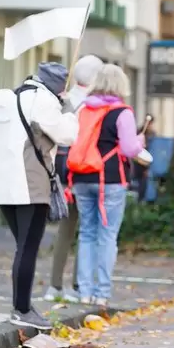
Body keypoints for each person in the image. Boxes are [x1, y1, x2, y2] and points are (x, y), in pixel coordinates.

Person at [0, 63, 78, 330]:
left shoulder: (6, 98)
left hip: (1, 186)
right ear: (58, 87)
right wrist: (67, 108)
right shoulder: (46, 101)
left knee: (22, 248)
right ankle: (22, 309)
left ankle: (23, 306)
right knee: (27, 248)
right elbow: (69, 135)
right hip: (30, 185)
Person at [69, 64, 145, 307]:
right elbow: (129, 149)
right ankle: (102, 292)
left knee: (87, 233)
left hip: (81, 177)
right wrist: (140, 140)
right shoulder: (122, 112)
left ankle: (84, 291)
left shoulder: (83, 109)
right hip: (110, 180)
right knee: (107, 235)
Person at [44, 54, 103, 305]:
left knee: (65, 231)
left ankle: (54, 284)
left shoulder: (61, 101)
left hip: (61, 171)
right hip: (87, 171)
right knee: (88, 230)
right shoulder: (95, 105)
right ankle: (80, 285)